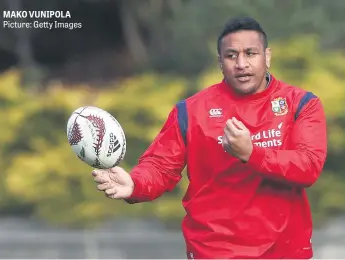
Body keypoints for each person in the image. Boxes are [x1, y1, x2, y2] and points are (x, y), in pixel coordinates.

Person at [92, 16, 327, 259]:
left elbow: (308, 167)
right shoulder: (191, 111)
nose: (241, 63)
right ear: (220, 62)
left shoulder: (300, 104)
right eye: (231, 55)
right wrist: (135, 185)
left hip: (283, 252)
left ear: (267, 57)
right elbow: (160, 166)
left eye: (251, 53)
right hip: (214, 251)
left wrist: (251, 153)